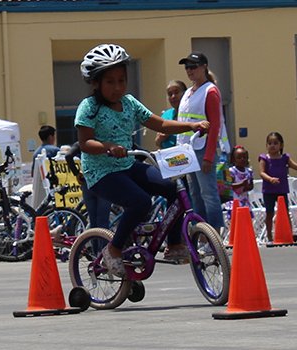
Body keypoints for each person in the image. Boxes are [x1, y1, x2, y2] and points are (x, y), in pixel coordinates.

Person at [75, 44, 208, 277]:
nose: (118, 87)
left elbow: (159, 123)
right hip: (102, 173)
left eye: (122, 80)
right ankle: (113, 249)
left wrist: (191, 125)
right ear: (95, 83)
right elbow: (85, 143)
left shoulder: (129, 103)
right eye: (110, 82)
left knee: (174, 188)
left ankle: (174, 244)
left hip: (127, 164)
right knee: (141, 202)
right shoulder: (89, 108)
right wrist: (108, 147)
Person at [176, 52, 230, 233]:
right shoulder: (188, 93)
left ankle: (214, 234)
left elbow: (215, 125)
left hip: (202, 148)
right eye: (187, 67)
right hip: (187, 150)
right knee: (195, 194)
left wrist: (208, 156)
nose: (190, 70)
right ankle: (200, 233)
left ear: (204, 66)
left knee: (208, 193)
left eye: (194, 66)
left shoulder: (210, 90)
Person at [259, 132, 297, 241]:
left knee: (285, 212)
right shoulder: (264, 158)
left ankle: (289, 232)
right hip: (269, 190)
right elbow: (262, 172)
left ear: (281, 145)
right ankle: (269, 235)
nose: (272, 145)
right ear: (266, 145)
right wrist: (270, 179)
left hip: (281, 189)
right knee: (269, 212)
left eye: (275, 143)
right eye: (270, 143)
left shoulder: (284, 158)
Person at [64, 142, 113, 229]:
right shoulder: (106, 141)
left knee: (92, 222)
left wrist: (76, 173)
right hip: (105, 181)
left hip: (87, 182)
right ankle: (104, 242)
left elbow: (68, 156)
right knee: (103, 222)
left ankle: (94, 241)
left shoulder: (82, 143)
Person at [154, 80, 188, 149]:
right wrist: (161, 138)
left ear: (185, 93)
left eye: (176, 92)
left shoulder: (191, 113)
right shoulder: (166, 115)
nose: (173, 96)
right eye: (170, 94)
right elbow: (157, 143)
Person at [226, 146, 254, 210]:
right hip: (234, 204)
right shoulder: (230, 171)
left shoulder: (249, 171)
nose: (242, 159)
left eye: (244, 157)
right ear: (234, 159)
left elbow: (251, 186)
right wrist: (241, 184)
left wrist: (246, 187)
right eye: (239, 158)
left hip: (245, 202)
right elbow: (229, 186)